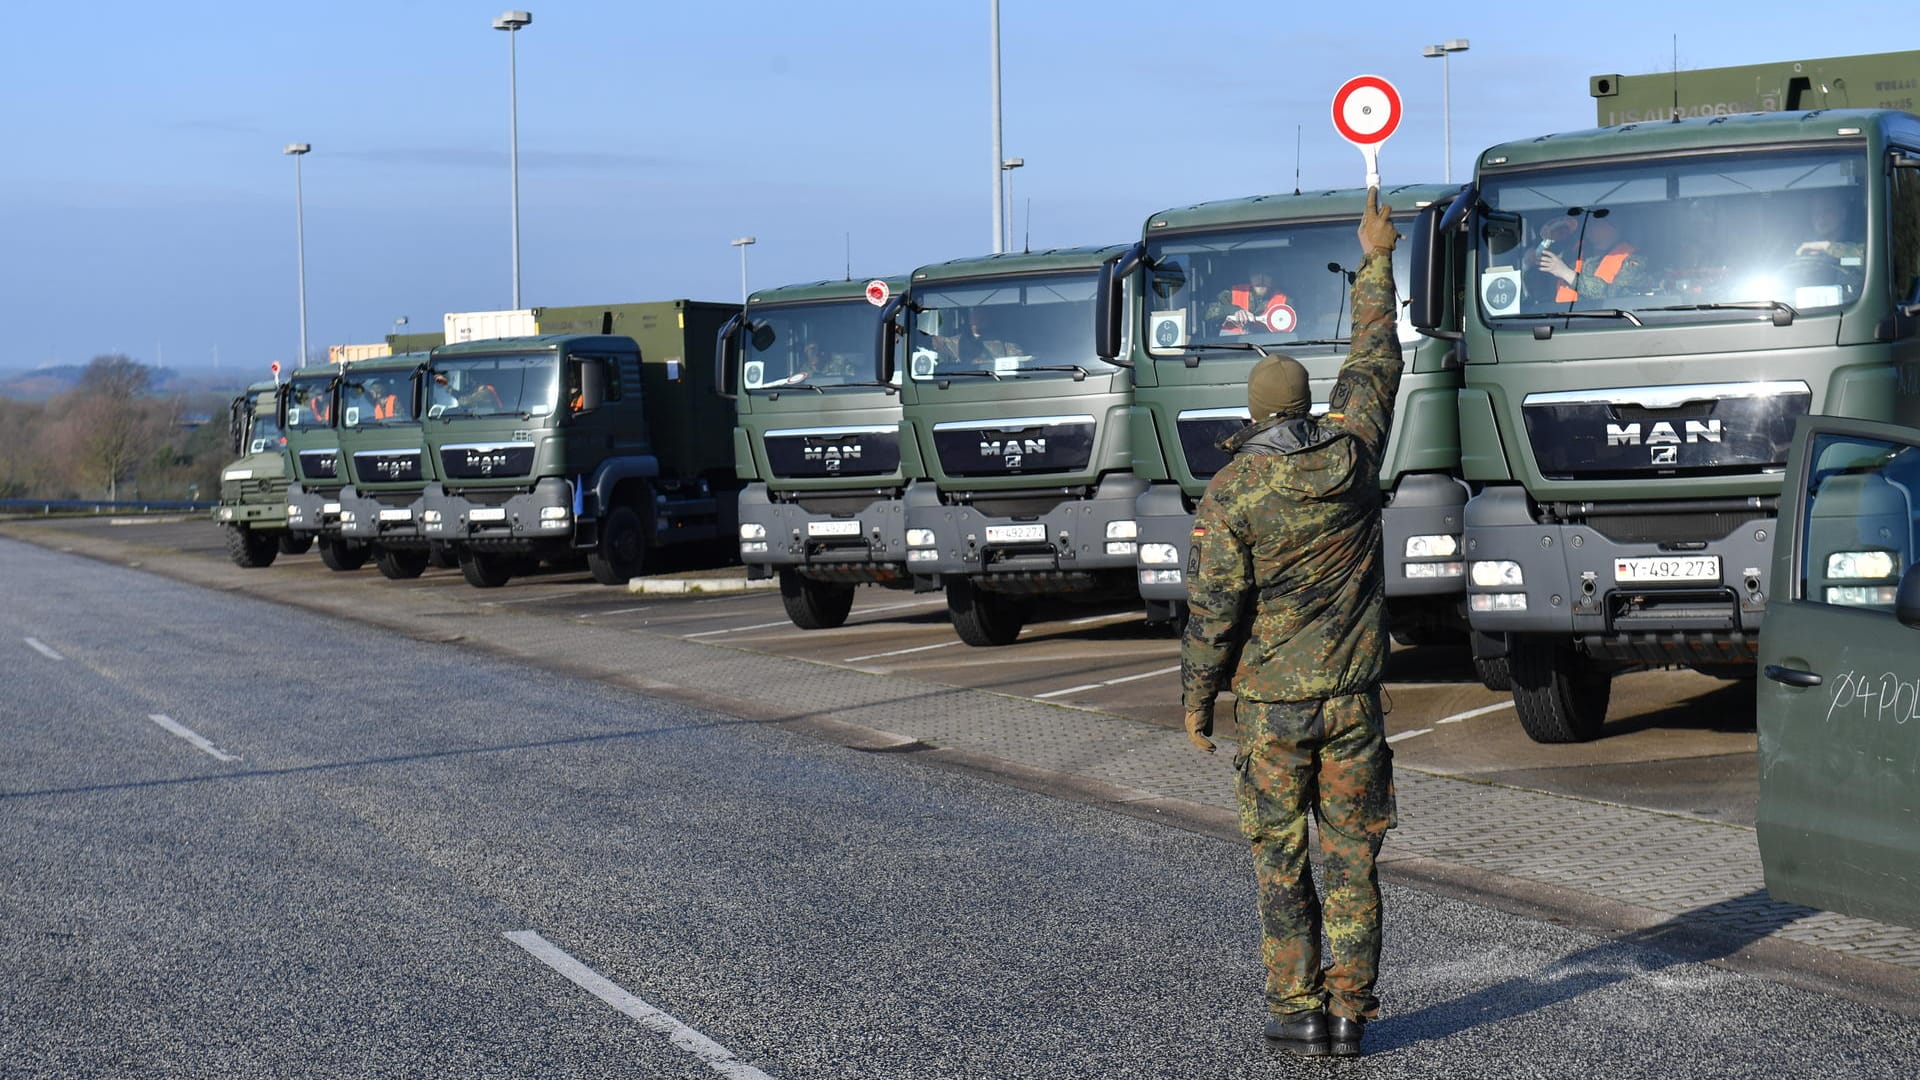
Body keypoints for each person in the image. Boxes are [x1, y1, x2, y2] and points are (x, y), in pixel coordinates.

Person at [1181, 187, 1401, 1059]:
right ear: (1305, 407)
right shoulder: (1352, 453)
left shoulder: (1235, 491)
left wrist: (1197, 704)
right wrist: (1375, 259)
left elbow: (1211, 612)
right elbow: (1374, 362)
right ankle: (1352, 1015)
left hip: (1273, 709)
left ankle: (1297, 1005)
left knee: (1280, 860)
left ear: (1254, 414)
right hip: (1354, 702)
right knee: (1354, 861)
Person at [1531, 212, 1649, 301]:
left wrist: (1565, 272)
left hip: (1604, 324)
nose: (1587, 226)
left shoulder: (1634, 259)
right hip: (1562, 321)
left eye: (1594, 222)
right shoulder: (1572, 252)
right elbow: (1539, 287)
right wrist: (1532, 258)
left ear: (1611, 226)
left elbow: (1615, 293)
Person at [1206, 271, 1288, 334]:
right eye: (1256, 274)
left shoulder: (1285, 301)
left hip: (1271, 352)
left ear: (1273, 278)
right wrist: (1233, 311)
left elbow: (1298, 334)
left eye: (1267, 274)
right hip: (1230, 352)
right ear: (1250, 277)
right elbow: (1204, 312)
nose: (1261, 279)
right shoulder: (1233, 293)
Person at [1795, 188, 1864, 261]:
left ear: (1843, 213)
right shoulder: (1803, 248)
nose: (1821, 217)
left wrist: (1826, 247)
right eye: (1816, 212)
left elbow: (1864, 262)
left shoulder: (1862, 242)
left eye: (1827, 211)